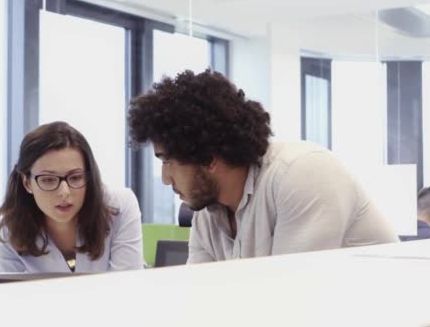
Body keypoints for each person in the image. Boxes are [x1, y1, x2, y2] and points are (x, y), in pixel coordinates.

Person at [128, 69, 398, 263]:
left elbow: (290, 298)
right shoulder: (208, 213)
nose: (165, 178)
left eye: (167, 161)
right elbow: (200, 298)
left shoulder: (301, 172)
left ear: (209, 157)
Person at [0, 121, 143, 273]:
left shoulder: (120, 206)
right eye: (48, 180)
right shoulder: (9, 229)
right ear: (27, 183)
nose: (64, 192)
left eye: (75, 177)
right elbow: (6, 295)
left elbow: (127, 289)